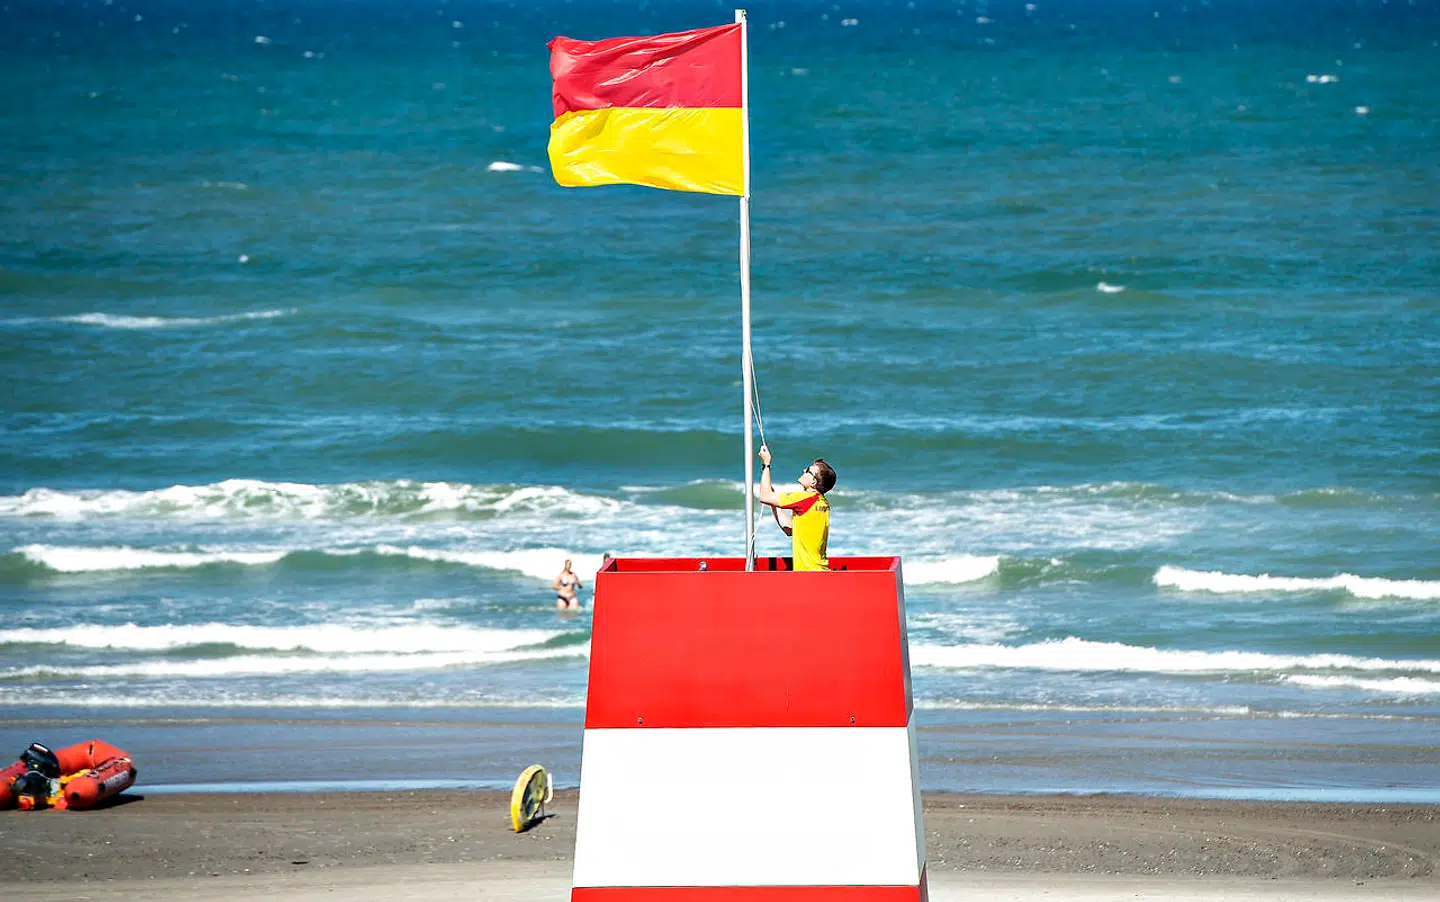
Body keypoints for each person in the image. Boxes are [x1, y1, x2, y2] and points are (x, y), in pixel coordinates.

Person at [755, 445, 836, 571]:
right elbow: (790, 529)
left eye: (808, 470)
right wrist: (775, 505)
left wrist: (766, 464)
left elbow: (764, 496)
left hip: (808, 573)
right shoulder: (822, 503)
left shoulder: (805, 498)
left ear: (813, 482)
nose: (804, 470)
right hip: (820, 570)